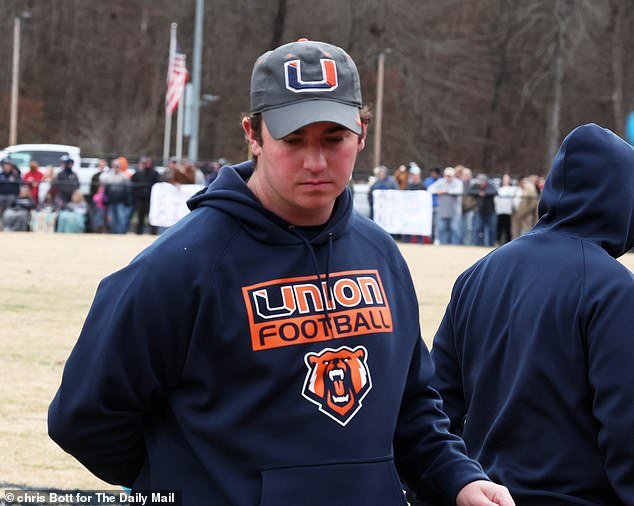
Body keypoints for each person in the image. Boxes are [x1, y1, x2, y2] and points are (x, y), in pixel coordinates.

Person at [48, 39, 513, 506]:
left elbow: (411, 407)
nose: (315, 161)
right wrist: (190, 485)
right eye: (293, 140)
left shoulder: (380, 254)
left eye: (333, 138)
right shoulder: (181, 265)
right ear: (253, 135)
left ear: (362, 133)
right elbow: (84, 418)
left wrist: (458, 479)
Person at [430, 124, 634, 504]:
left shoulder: (477, 274)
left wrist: (447, 486)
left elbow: (435, 406)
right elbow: (626, 430)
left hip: (484, 494)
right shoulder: (613, 289)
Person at [427, 167, 463, 245]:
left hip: (454, 211)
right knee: (441, 229)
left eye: (449, 176)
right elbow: (430, 189)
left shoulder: (457, 182)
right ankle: (443, 245)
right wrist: (437, 191)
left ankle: (455, 245)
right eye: (446, 176)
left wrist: (446, 191)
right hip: (442, 211)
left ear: (453, 176)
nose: (448, 178)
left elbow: (459, 190)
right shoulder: (440, 182)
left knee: (455, 229)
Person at [130, 156, 160, 235]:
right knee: (140, 216)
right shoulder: (138, 174)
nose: (147, 164)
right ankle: (139, 232)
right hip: (140, 198)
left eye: (149, 162)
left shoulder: (155, 174)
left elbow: (158, 184)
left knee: (151, 216)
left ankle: (153, 233)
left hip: (151, 199)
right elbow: (133, 184)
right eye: (145, 163)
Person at [102, 157, 131, 234]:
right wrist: (106, 200)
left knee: (121, 217)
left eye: (118, 166)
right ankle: (113, 232)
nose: (116, 168)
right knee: (111, 218)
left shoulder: (124, 177)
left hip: (121, 201)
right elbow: (106, 189)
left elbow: (127, 190)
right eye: (115, 166)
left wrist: (126, 200)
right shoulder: (108, 176)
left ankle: (121, 232)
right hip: (111, 201)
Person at [469, 174, 497, 246]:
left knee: (492, 229)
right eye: (480, 181)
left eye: (482, 181)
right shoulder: (476, 186)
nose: (481, 183)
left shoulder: (490, 186)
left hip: (490, 212)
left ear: (485, 181)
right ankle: (477, 244)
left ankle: (491, 244)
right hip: (479, 211)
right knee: (477, 229)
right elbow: (470, 191)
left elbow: (494, 192)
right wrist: (479, 193)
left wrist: (485, 193)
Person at [494, 174, 515, 245]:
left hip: (508, 212)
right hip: (500, 212)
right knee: (499, 229)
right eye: (504, 179)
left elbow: (513, 201)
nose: (506, 180)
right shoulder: (499, 189)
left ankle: (508, 244)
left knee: (508, 229)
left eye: (507, 179)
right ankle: (498, 243)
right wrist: (497, 209)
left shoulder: (512, 189)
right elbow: (496, 200)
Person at [0, 159, 22, 230]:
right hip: (1, 195)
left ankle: (8, 226)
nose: (7, 167)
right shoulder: (1, 175)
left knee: (9, 211)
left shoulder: (15, 174)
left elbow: (19, 182)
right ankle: (2, 226)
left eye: (9, 165)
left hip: (11, 196)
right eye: (6, 165)